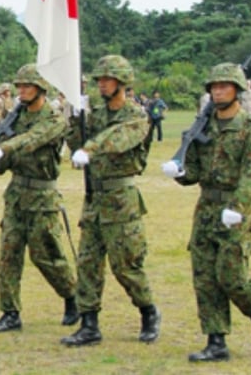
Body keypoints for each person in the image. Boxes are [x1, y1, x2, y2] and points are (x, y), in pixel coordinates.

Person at [161, 63, 251, 362]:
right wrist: (179, 171)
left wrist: (238, 208)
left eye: (224, 85)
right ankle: (216, 341)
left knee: (232, 275)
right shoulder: (203, 126)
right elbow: (194, 172)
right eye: (214, 86)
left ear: (238, 90)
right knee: (205, 276)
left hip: (235, 209)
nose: (218, 90)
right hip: (207, 208)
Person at [0, 64, 78, 334]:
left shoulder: (54, 119)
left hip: (43, 195)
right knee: (9, 254)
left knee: (46, 256)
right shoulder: (14, 118)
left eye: (26, 86)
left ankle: (72, 296)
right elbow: (4, 161)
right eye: (19, 86)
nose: (21, 91)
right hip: (17, 194)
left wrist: (2, 148)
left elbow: (33, 140)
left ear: (41, 88)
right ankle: (10, 312)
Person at [62, 55, 160, 347]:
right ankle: (89, 323)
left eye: (107, 80)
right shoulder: (97, 115)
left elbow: (118, 139)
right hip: (95, 197)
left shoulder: (136, 116)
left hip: (121, 200)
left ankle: (148, 312)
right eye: (99, 80)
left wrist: (90, 147)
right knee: (88, 262)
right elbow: (76, 143)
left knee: (126, 265)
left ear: (122, 82)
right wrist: (75, 119)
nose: (101, 85)